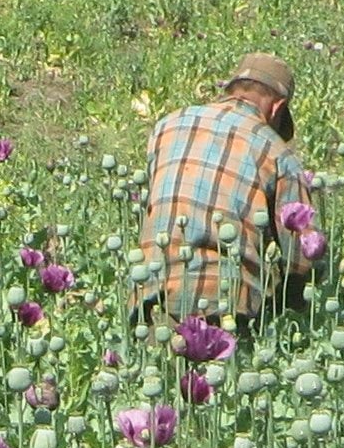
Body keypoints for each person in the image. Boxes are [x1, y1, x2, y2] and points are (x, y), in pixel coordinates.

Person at [134, 51, 317, 328]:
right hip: (224, 307)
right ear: (277, 108)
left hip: (149, 295)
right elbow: (301, 258)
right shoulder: (278, 154)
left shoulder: (167, 126)